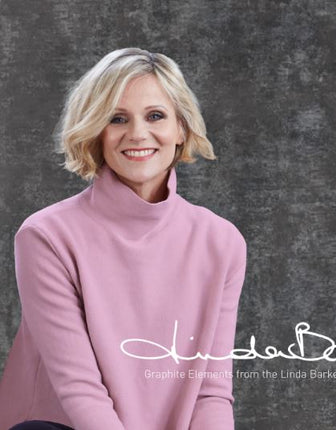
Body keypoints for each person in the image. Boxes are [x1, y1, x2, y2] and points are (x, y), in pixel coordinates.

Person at [0, 47, 247, 430]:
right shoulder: (46, 237)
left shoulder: (221, 242)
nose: (137, 133)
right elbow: (81, 391)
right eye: (117, 118)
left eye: (155, 116)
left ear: (181, 128)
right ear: (96, 131)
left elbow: (210, 394)